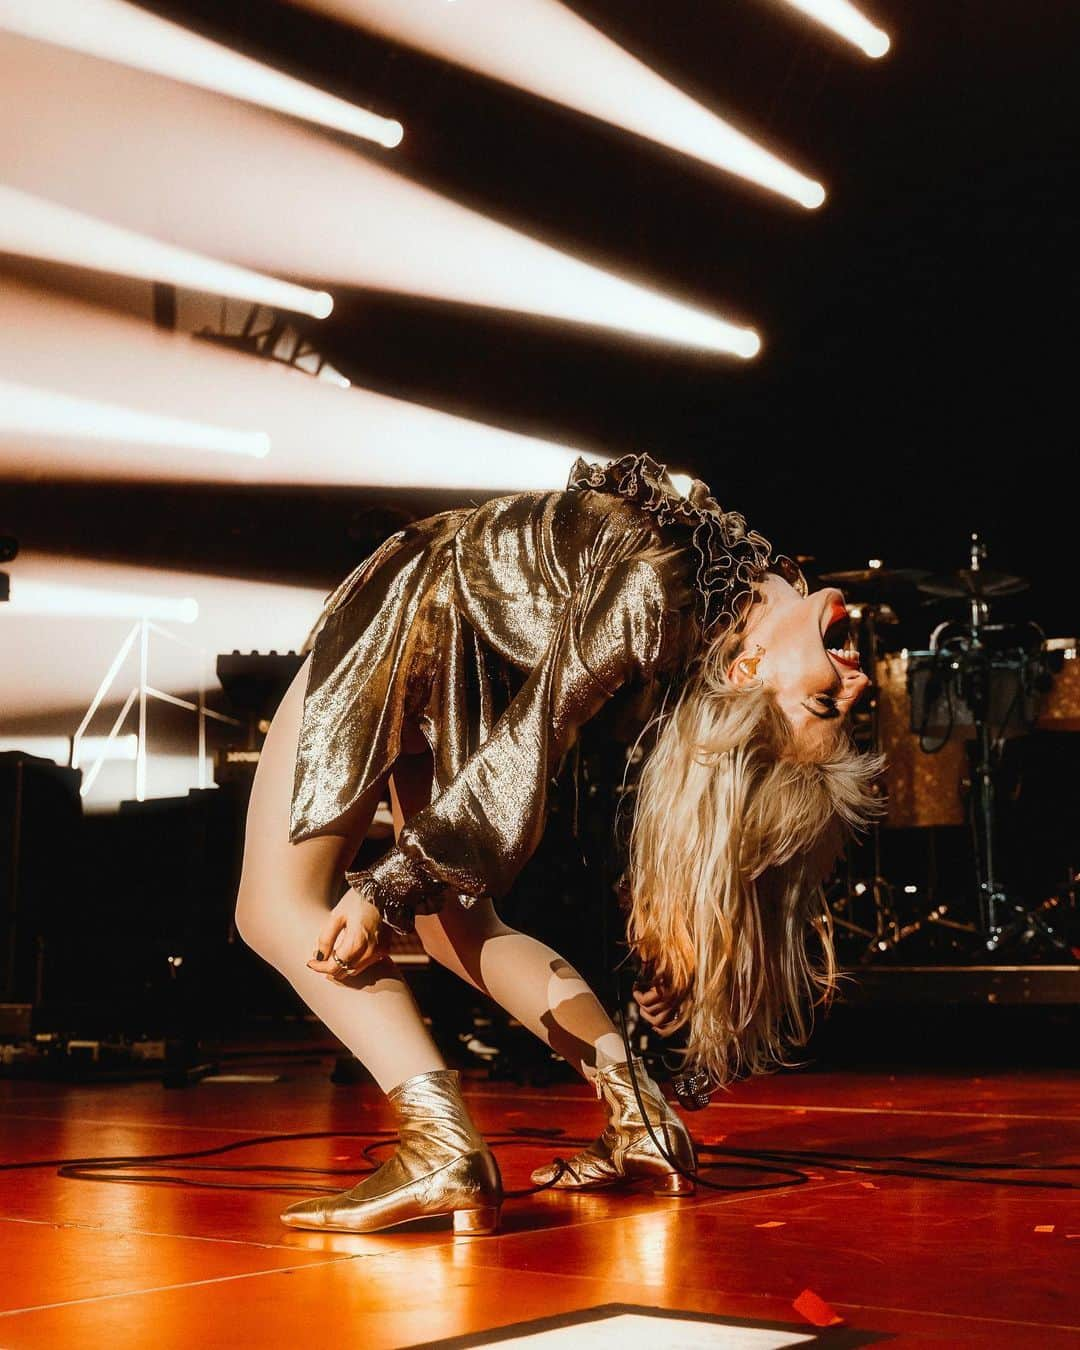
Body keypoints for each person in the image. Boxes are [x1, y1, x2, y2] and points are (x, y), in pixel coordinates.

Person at [233, 452, 879, 1237]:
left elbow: (539, 728)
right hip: (464, 646)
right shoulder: (727, 584)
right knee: (459, 931)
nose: (858, 685)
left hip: (416, 623)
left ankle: (438, 1144)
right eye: (837, 699)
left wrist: (386, 885)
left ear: (746, 671)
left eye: (822, 700)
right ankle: (640, 1118)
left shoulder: (664, 595)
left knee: (274, 907)